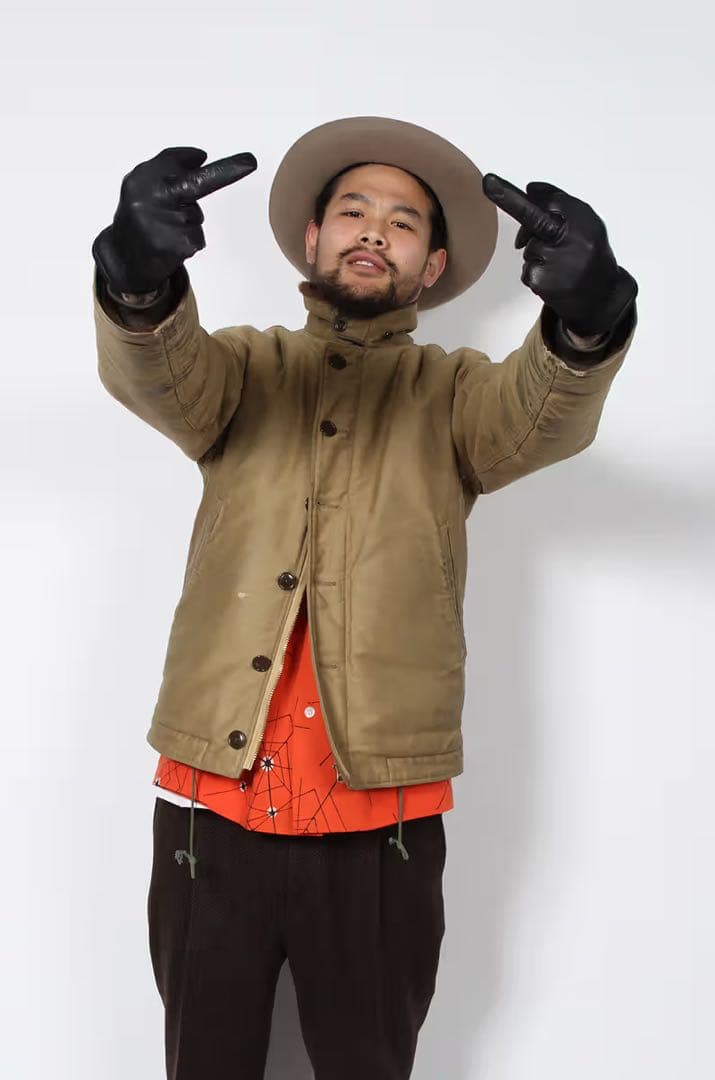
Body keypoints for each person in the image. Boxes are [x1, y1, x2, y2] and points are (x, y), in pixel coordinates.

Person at [91, 115, 638, 1080]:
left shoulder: (458, 396)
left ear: (434, 267)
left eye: (404, 221)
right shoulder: (241, 370)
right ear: (312, 238)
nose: (375, 230)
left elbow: (540, 413)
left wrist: (585, 326)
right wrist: (139, 286)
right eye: (353, 210)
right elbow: (164, 374)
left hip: (382, 823)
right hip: (211, 814)